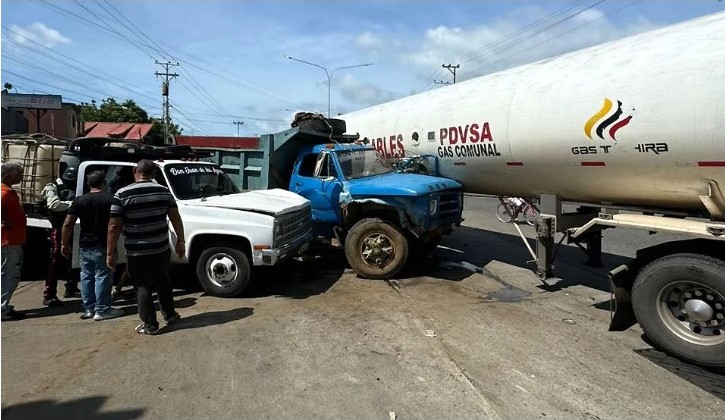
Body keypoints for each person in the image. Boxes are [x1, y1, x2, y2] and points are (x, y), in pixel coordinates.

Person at [107, 160, 185, 335]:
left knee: (142, 286)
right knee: (163, 281)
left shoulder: (121, 194)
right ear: (154, 174)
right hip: (161, 248)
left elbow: (114, 226)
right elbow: (175, 217)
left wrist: (110, 252)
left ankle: (150, 324)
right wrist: (181, 241)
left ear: (135, 170)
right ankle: (170, 315)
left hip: (136, 251)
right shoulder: (164, 192)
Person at [61, 170, 123, 321]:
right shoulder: (111, 199)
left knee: (86, 276)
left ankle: (89, 308)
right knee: (103, 276)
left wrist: (64, 243)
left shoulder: (79, 201)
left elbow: (68, 223)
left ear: (88, 184)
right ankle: (102, 309)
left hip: (85, 244)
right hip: (103, 243)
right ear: (104, 183)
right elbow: (116, 224)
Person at [41, 166, 80, 307]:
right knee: (55, 261)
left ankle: (71, 287)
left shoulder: (76, 184)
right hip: (58, 228)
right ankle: (49, 294)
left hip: (73, 226)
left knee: (73, 259)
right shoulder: (52, 187)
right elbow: (53, 205)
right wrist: (74, 204)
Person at [1, 162, 27, 321]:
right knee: (8, 274)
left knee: (11, 273)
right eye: (19, 174)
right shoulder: (4, 193)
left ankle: (4, 305)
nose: (22, 177)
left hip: (14, 239)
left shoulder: (9, 192)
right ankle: (2, 308)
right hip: (8, 241)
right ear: (9, 176)